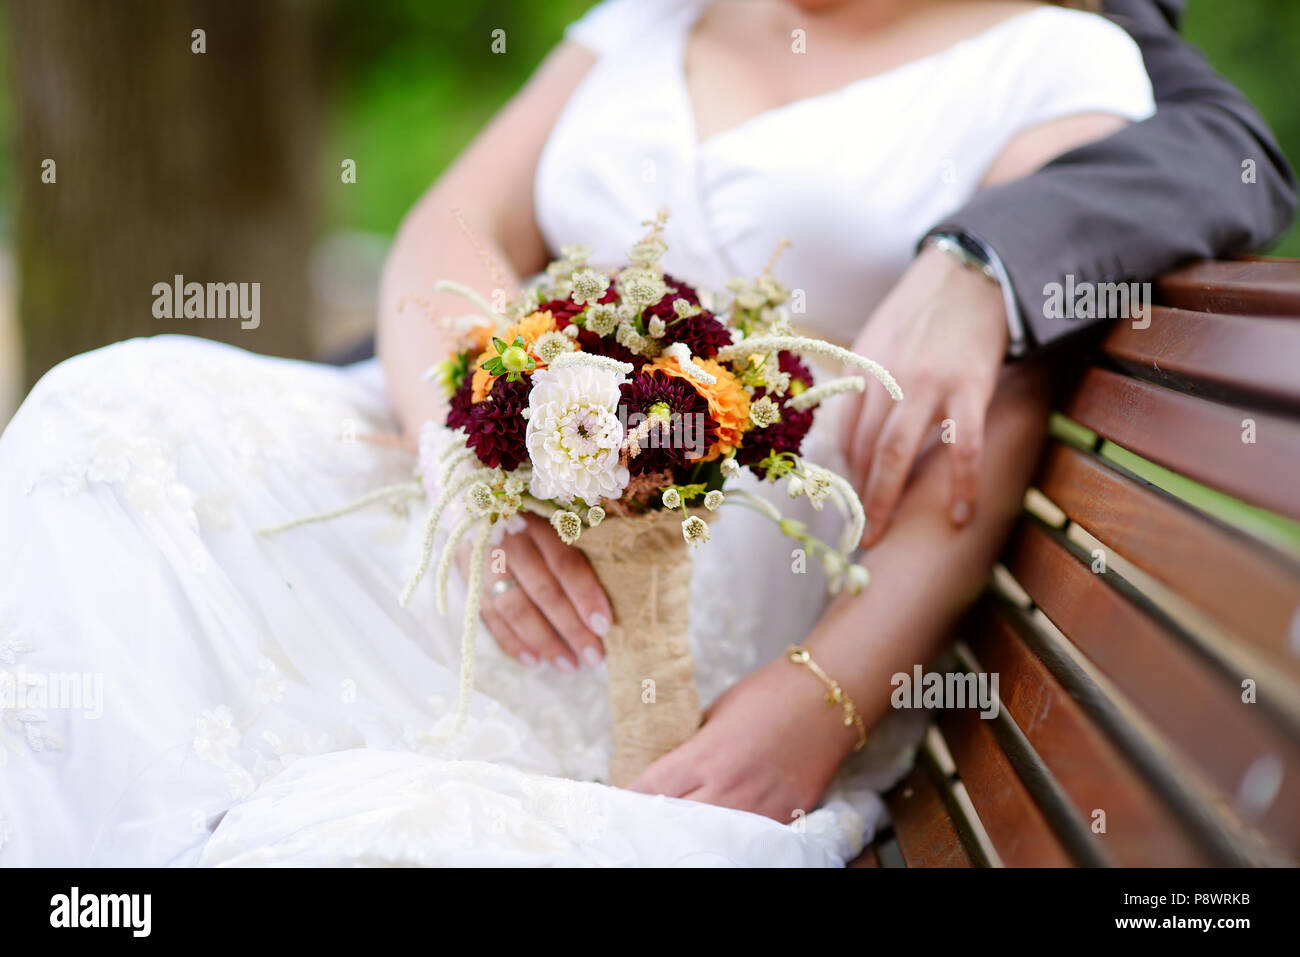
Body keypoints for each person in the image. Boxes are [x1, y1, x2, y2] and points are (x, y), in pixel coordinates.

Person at [0, 0, 1291, 866]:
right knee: (106, 422)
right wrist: (469, 471)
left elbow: (986, 414)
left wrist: (826, 695)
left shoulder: (1056, 58)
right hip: (469, 481)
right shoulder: (653, 14)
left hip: (708, 594)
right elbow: (452, 234)